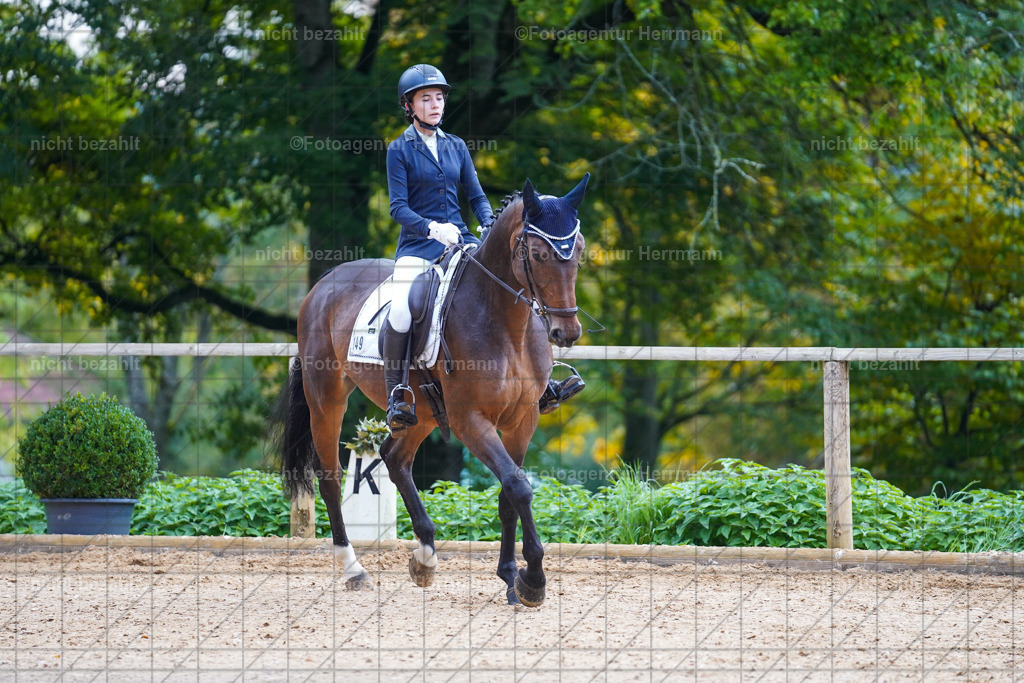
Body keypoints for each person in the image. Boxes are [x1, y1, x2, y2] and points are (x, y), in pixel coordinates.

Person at [384, 63, 583, 436]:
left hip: (462, 241)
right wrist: (431, 228)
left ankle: (540, 381)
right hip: (418, 246)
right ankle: (398, 393)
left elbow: (476, 196)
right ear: (409, 106)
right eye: (425, 99)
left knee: (515, 290)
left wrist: (488, 225)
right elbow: (398, 208)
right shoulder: (399, 149)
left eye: (439, 98)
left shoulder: (456, 146)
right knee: (400, 308)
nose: (435, 105)